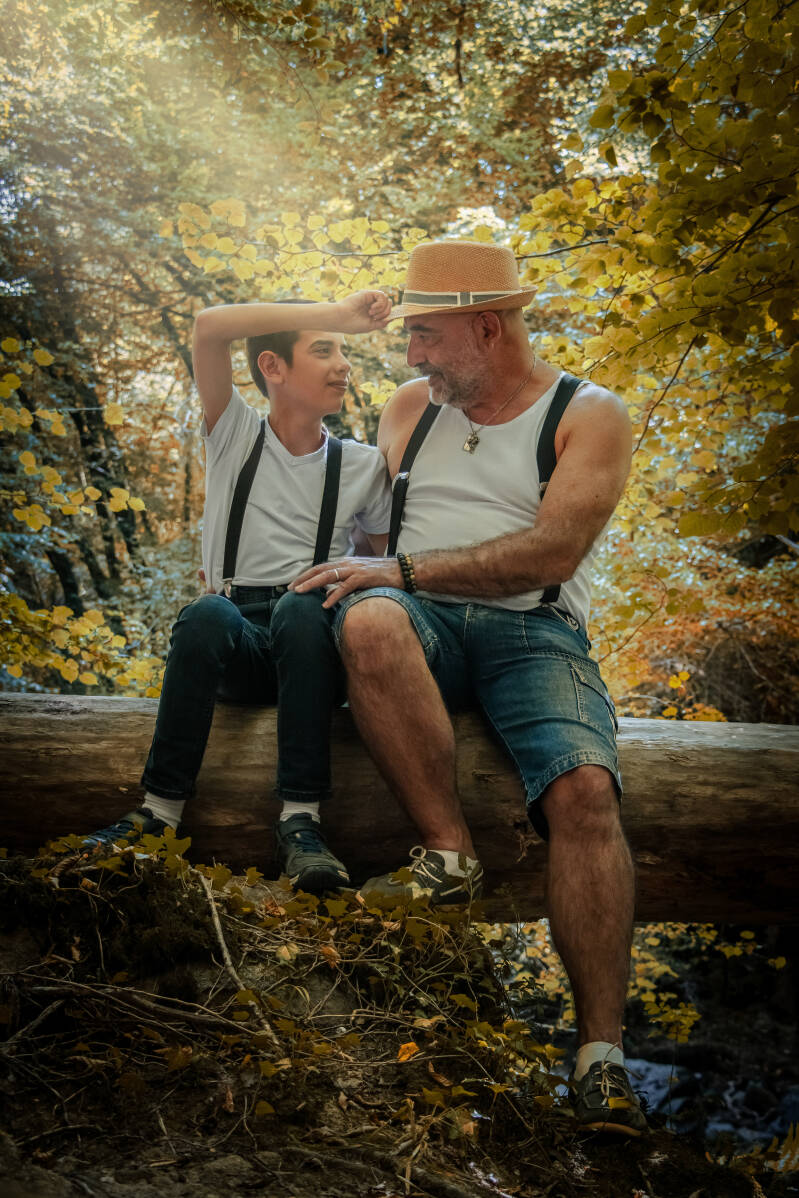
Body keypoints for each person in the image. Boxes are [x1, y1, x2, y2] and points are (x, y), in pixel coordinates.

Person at [290, 240, 647, 1135]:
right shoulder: (413, 407)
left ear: (486, 326)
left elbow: (551, 553)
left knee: (586, 790)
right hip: (417, 623)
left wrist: (401, 572)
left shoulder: (588, 412)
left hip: (535, 627)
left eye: (424, 334)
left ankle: (602, 1056)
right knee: (365, 618)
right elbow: (368, 534)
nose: (408, 356)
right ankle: (447, 854)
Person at [80, 291, 393, 894]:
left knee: (304, 610)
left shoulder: (362, 465)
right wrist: (333, 312)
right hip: (238, 640)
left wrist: (346, 573)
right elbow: (209, 326)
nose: (342, 365)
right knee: (205, 613)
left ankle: (301, 823)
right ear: (272, 367)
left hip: (312, 645)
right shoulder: (234, 432)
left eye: (343, 352)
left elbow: (377, 572)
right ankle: (158, 813)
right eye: (323, 350)